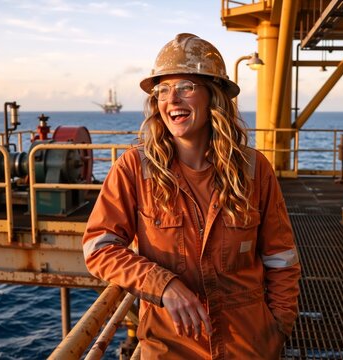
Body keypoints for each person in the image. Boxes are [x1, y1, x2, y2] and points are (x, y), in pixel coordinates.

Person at [83, 33, 301, 359]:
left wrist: (279, 326)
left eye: (185, 87)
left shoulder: (255, 170)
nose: (172, 100)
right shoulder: (134, 169)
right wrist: (163, 284)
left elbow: (282, 260)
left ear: (214, 97)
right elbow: (99, 248)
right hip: (170, 346)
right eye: (163, 91)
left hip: (249, 347)